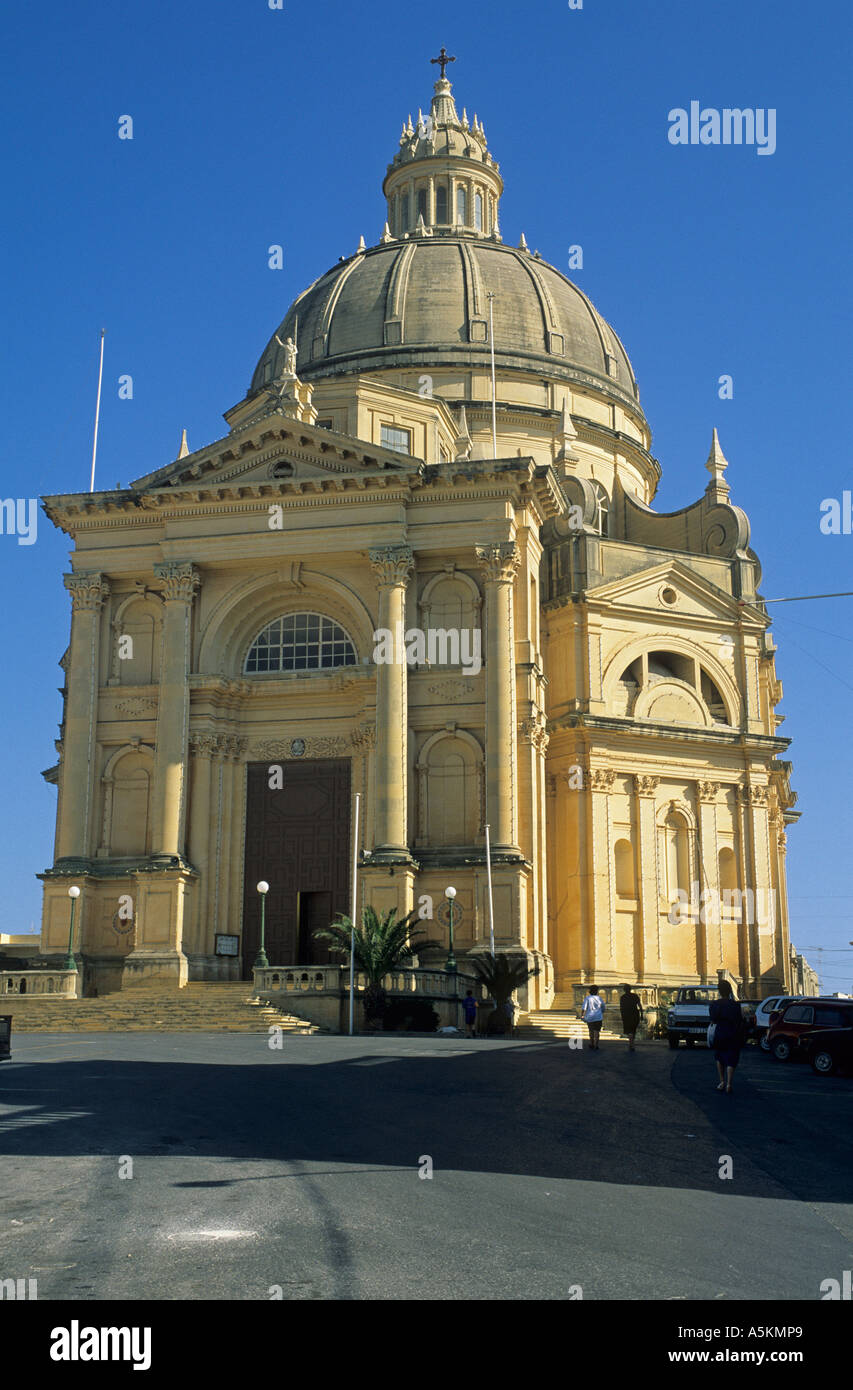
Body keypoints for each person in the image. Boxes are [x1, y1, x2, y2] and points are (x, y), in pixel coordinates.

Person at [709, 980, 745, 1093]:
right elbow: (739, 1020)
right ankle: (729, 1083)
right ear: (730, 990)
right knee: (732, 1057)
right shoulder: (735, 1005)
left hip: (720, 1032)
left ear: (719, 991)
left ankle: (722, 1081)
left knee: (719, 1056)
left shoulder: (715, 1004)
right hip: (733, 1033)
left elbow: (713, 1019)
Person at [619, 983, 644, 1051]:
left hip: (626, 1015)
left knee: (630, 1031)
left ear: (624, 990)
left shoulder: (622, 997)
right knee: (633, 1030)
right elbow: (640, 1006)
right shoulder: (635, 996)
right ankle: (632, 1044)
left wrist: (622, 1016)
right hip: (635, 1015)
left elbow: (621, 1008)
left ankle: (631, 1044)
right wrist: (642, 1015)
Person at [581, 985, 605, 1050]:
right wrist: (601, 1012)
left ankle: (591, 1043)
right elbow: (603, 1007)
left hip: (590, 1017)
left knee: (591, 1031)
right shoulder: (599, 998)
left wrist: (582, 1015)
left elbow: (584, 1008)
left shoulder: (587, 998)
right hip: (598, 1017)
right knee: (597, 1031)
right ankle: (596, 1044)